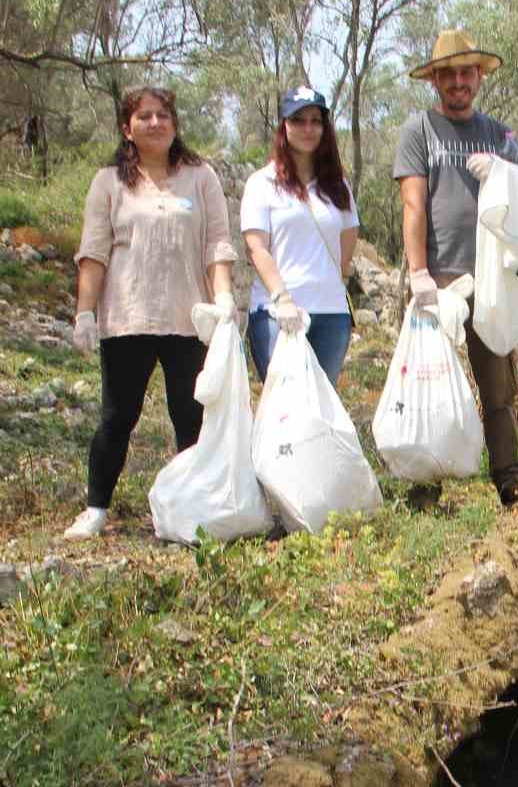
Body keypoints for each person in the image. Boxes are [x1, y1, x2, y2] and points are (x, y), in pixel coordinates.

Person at [65, 86, 236, 539]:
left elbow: (217, 242)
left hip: (188, 320)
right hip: (127, 319)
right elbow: (94, 253)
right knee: (118, 418)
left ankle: (196, 508)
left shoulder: (200, 177)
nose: (155, 123)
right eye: (144, 116)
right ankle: (96, 508)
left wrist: (222, 299)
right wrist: (85, 314)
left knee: (191, 418)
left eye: (163, 115)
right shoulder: (109, 182)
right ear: (127, 127)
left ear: (175, 124)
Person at [393, 28, 518, 506]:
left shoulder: (499, 134)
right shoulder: (418, 130)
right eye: (448, 74)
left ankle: (510, 480)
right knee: (429, 382)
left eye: (467, 72)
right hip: (438, 277)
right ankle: (425, 488)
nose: (459, 81)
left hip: (491, 278)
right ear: (435, 80)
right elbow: (413, 204)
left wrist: (503, 172)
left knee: (498, 383)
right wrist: (418, 272)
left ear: (479, 76)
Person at [241, 86, 359, 389]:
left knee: (323, 408)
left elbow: (348, 236)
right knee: (285, 408)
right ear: (284, 126)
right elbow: (256, 247)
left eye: (315, 121)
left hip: (331, 313)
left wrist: (334, 280)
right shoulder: (262, 183)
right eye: (298, 120)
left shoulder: (337, 185)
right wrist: (282, 298)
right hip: (277, 314)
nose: (308, 129)